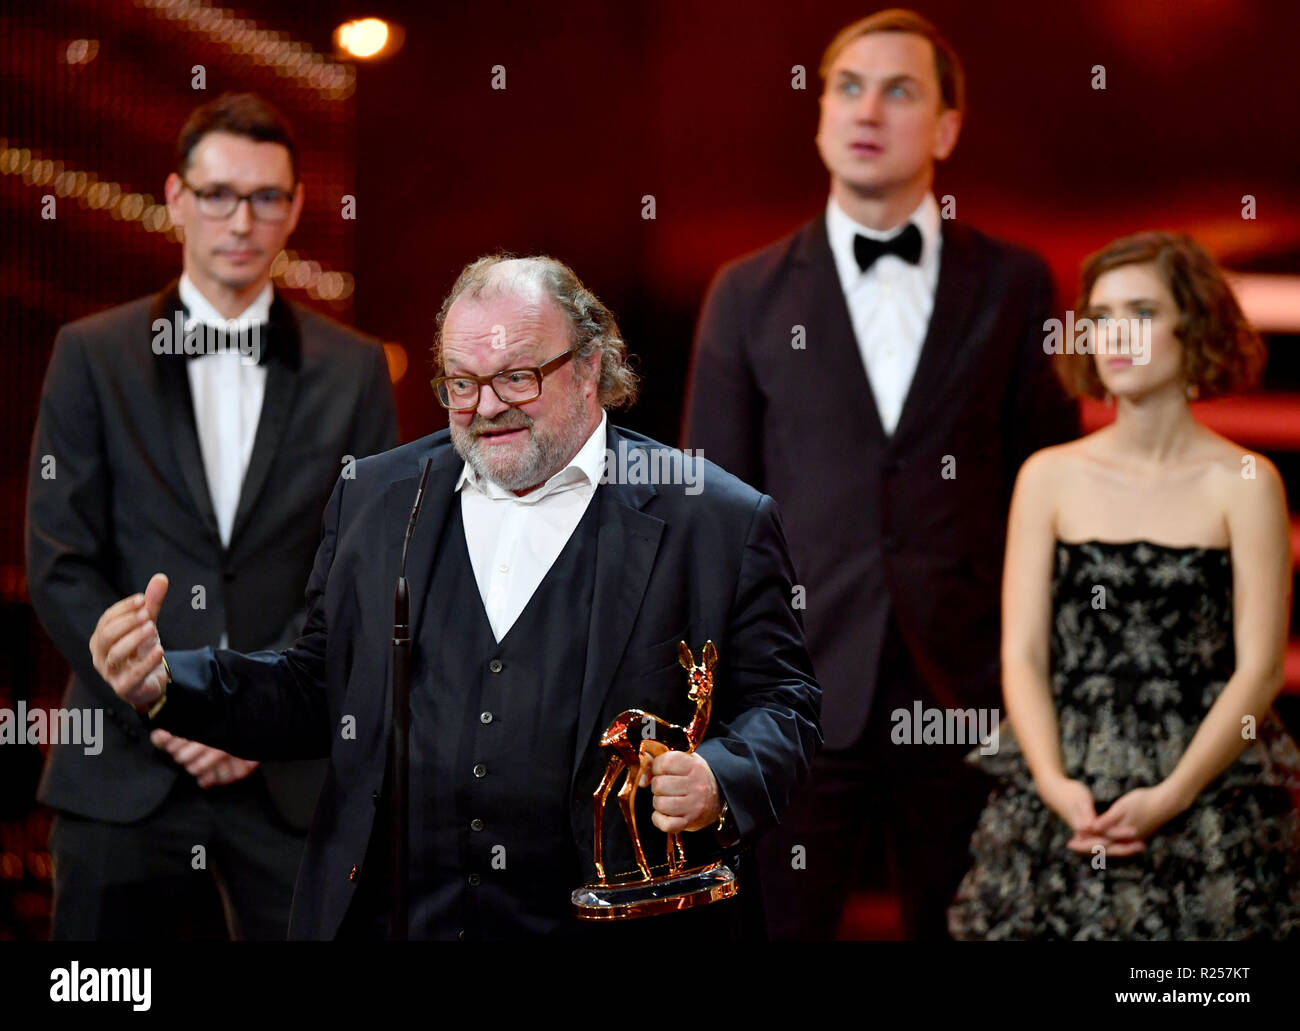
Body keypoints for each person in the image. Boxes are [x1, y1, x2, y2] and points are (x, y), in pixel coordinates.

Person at [88, 254, 822, 941]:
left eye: (517, 378)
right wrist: (166, 684)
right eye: (461, 383)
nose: (485, 408)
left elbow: (786, 702)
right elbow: (317, 687)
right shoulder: (376, 495)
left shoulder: (716, 516)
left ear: (592, 367)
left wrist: (721, 779)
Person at [682, 9, 1079, 939]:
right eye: (848, 87)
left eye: (900, 90)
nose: (868, 109)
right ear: (819, 114)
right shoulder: (745, 291)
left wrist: (1037, 679)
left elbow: (1044, 485)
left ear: (945, 128)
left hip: (969, 684)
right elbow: (713, 505)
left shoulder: (1016, 284)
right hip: (791, 693)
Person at [25, 92, 398, 940]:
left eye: (267, 197)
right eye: (220, 194)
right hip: (123, 775)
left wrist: (256, 713)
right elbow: (60, 560)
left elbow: (366, 570)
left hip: (288, 781)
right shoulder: (91, 354)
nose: (243, 219)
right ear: (176, 198)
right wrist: (164, 700)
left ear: (297, 207)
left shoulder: (356, 369)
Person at [948, 230, 1300, 939]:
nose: (1115, 335)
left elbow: (1259, 669)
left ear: (1193, 324)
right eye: (1100, 317)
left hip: (1206, 787)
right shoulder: (1048, 475)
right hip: (1065, 785)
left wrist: (1171, 796)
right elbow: (1022, 653)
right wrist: (1053, 784)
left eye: (1140, 312)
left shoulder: (1246, 481)